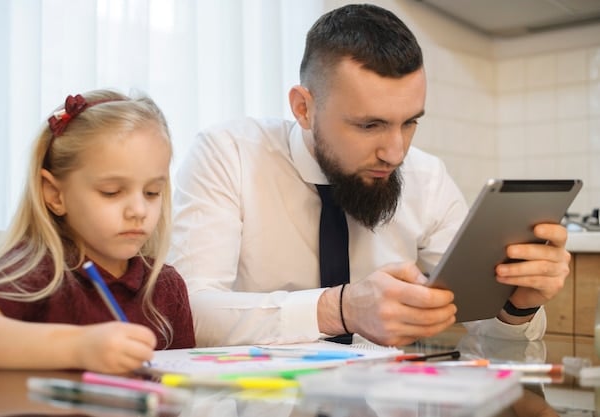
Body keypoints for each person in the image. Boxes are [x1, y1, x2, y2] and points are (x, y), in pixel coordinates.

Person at [169, 4, 571, 347]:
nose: (395, 153)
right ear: (303, 108)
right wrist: (340, 309)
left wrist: (518, 304)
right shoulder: (229, 154)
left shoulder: (427, 178)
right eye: (369, 125)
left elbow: (487, 331)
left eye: (410, 122)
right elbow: (190, 313)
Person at [0, 89, 195, 373]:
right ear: (55, 194)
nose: (139, 210)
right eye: (112, 192)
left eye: (152, 192)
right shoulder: (36, 273)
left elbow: (187, 385)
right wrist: (79, 347)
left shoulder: (166, 286)